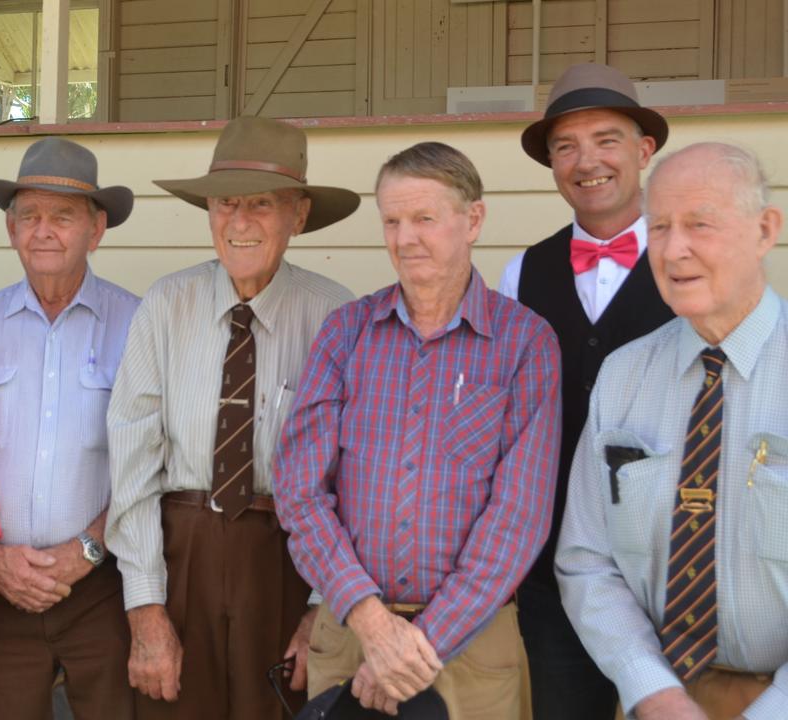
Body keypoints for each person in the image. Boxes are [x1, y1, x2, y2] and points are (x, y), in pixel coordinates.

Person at [275, 142, 560, 718]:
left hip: (472, 646)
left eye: (424, 218)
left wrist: (418, 645)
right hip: (352, 633)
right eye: (392, 221)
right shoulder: (346, 332)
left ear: (472, 219)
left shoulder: (525, 344)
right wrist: (372, 624)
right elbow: (300, 490)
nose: (405, 239)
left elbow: (517, 519)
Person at [105, 115, 358, 719]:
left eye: (262, 205)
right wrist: (145, 608)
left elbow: (353, 476)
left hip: (291, 559)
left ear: (298, 215)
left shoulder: (337, 317)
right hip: (181, 554)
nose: (238, 224)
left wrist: (324, 606)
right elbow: (133, 462)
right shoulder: (168, 305)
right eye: (224, 204)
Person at [556, 143, 788, 720]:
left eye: (700, 224)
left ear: (765, 230)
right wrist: (650, 691)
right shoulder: (624, 374)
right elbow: (586, 559)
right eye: (658, 227)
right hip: (657, 699)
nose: (674, 249)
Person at [498, 62, 674, 720]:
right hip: (553, 578)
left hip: (669, 568)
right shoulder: (520, 273)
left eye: (606, 139)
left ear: (644, 150)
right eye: (565, 146)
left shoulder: (688, 261)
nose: (587, 161)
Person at [0, 137, 140, 719]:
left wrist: (88, 549)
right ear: (10, 230)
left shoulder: (140, 327)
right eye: (28, 216)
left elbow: (156, 461)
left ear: (97, 228)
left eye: (63, 216)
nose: (43, 231)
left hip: (103, 589)